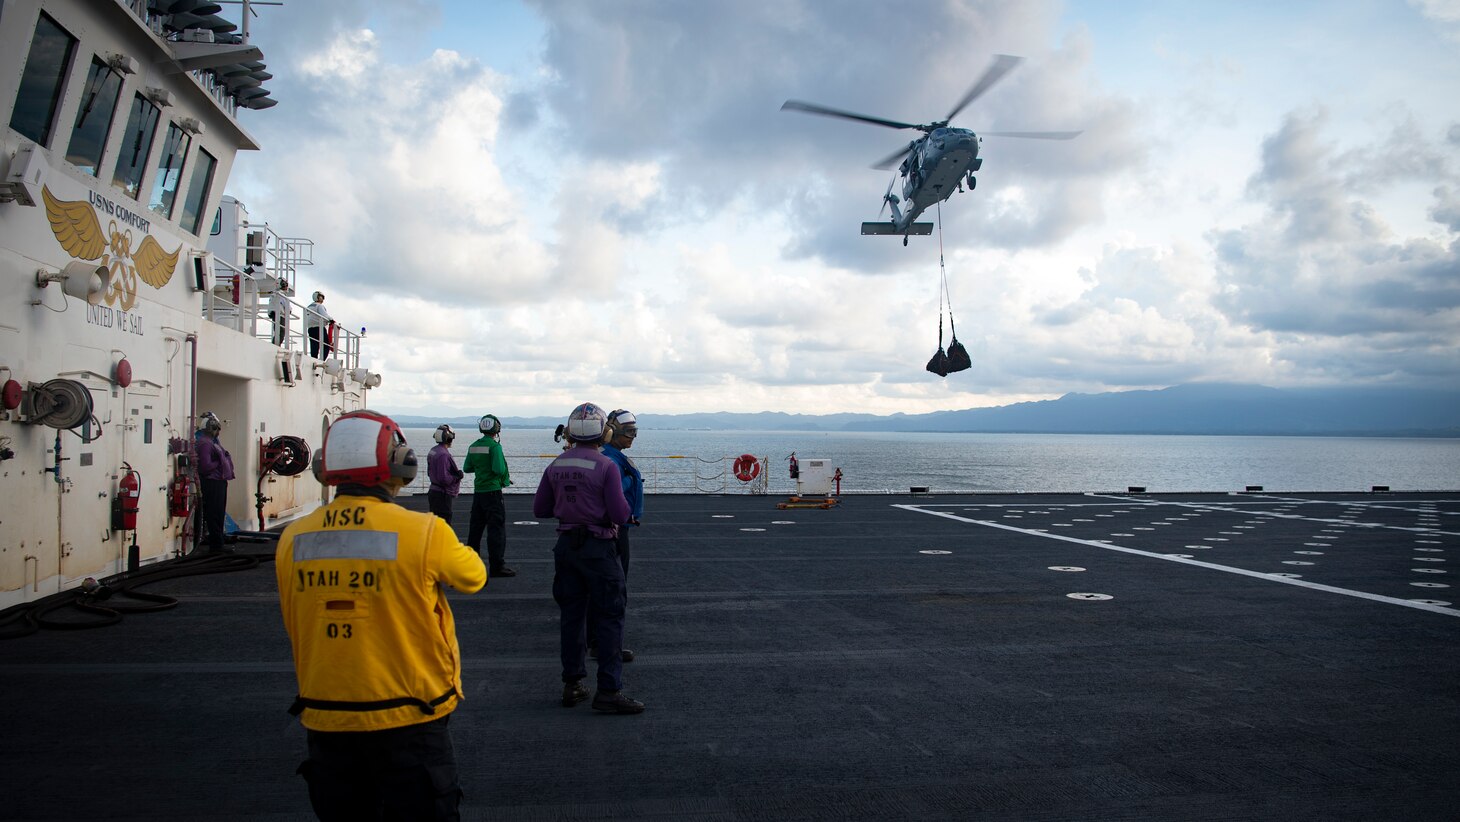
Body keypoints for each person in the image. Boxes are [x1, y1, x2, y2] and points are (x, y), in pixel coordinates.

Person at [276, 410, 487, 821]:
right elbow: (474, 577)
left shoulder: (291, 539)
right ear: (400, 463)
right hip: (410, 713)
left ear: (326, 467)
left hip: (325, 714)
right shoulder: (424, 531)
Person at [534, 402, 642, 714]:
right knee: (609, 617)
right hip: (599, 548)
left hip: (566, 547)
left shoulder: (556, 464)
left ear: (570, 432)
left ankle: (573, 685)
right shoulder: (606, 466)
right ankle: (608, 691)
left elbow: (540, 509)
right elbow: (621, 514)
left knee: (571, 617)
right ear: (604, 432)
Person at [589, 409, 642, 663]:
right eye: (628, 432)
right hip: (615, 529)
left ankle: (593, 639)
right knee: (614, 587)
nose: (632, 436)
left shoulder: (605, 457)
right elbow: (614, 494)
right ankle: (606, 645)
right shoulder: (611, 461)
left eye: (634, 431)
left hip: (605, 529)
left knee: (596, 587)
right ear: (610, 433)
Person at [463, 414, 514, 577]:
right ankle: (497, 566)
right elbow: (498, 469)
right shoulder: (494, 447)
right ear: (496, 428)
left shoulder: (473, 446)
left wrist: (481, 468)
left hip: (478, 493)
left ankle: (471, 565)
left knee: (475, 531)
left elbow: (467, 468)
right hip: (493, 493)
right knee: (496, 530)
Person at [195, 412, 234, 554]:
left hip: (218, 482)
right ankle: (216, 546)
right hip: (213, 483)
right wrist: (220, 462)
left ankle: (217, 543)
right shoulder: (206, 444)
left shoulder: (209, 442)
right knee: (214, 513)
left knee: (217, 512)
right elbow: (204, 467)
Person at [427, 424, 464, 526]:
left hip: (433, 492)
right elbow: (444, 479)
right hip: (442, 496)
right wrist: (457, 476)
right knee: (444, 525)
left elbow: (430, 472)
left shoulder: (433, 451)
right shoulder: (444, 454)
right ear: (449, 438)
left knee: (435, 525)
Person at [305, 291, 332, 360]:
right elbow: (325, 315)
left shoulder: (309, 306)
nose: (323, 299)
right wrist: (331, 320)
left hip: (310, 328)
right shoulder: (319, 306)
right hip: (319, 328)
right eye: (322, 297)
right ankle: (321, 360)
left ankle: (313, 359)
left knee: (314, 345)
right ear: (318, 297)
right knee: (326, 345)